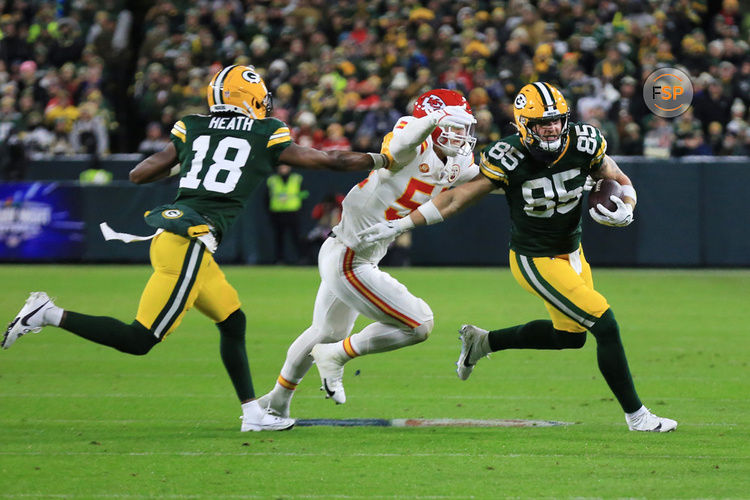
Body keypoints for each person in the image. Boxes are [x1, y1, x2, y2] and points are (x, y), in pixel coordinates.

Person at [2, 65, 388, 432]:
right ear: (249, 96)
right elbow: (329, 160)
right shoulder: (265, 131)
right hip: (188, 240)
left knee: (233, 321)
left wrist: (189, 163)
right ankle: (48, 313)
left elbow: (139, 174)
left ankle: (253, 413)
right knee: (140, 339)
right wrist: (382, 159)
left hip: (181, 237)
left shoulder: (193, 126)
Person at [359, 82, 678, 433]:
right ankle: (638, 417)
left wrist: (628, 206)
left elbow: (616, 176)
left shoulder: (585, 141)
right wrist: (400, 224)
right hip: (535, 259)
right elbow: (457, 198)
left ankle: (482, 342)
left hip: (573, 251)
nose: (553, 128)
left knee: (571, 337)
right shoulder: (507, 156)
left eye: (557, 120)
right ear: (524, 125)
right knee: (605, 324)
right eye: (543, 123)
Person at [256, 89, 478, 418]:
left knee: (326, 331)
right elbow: (401, 146)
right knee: (419, 324)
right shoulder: (411, 136)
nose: (461, 135)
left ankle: (274, 403)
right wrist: (429, 120)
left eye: (464, 127)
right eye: (453, 126)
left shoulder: (459, 161)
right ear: (431, 123)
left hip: (356, 253)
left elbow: (490, 179)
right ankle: (336, 356)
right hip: (351, 255)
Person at [264, 163, 307, 264]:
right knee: (279, 238)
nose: (283, 169)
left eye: (285, 166)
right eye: (281, 167)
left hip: (293, 212)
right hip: (277, 213)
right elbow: (266, 197)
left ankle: (302, 258)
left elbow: (305, 194)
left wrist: (301, 208)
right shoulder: (272, 180)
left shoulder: (297, 179)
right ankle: (279, 259)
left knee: (296, 236)